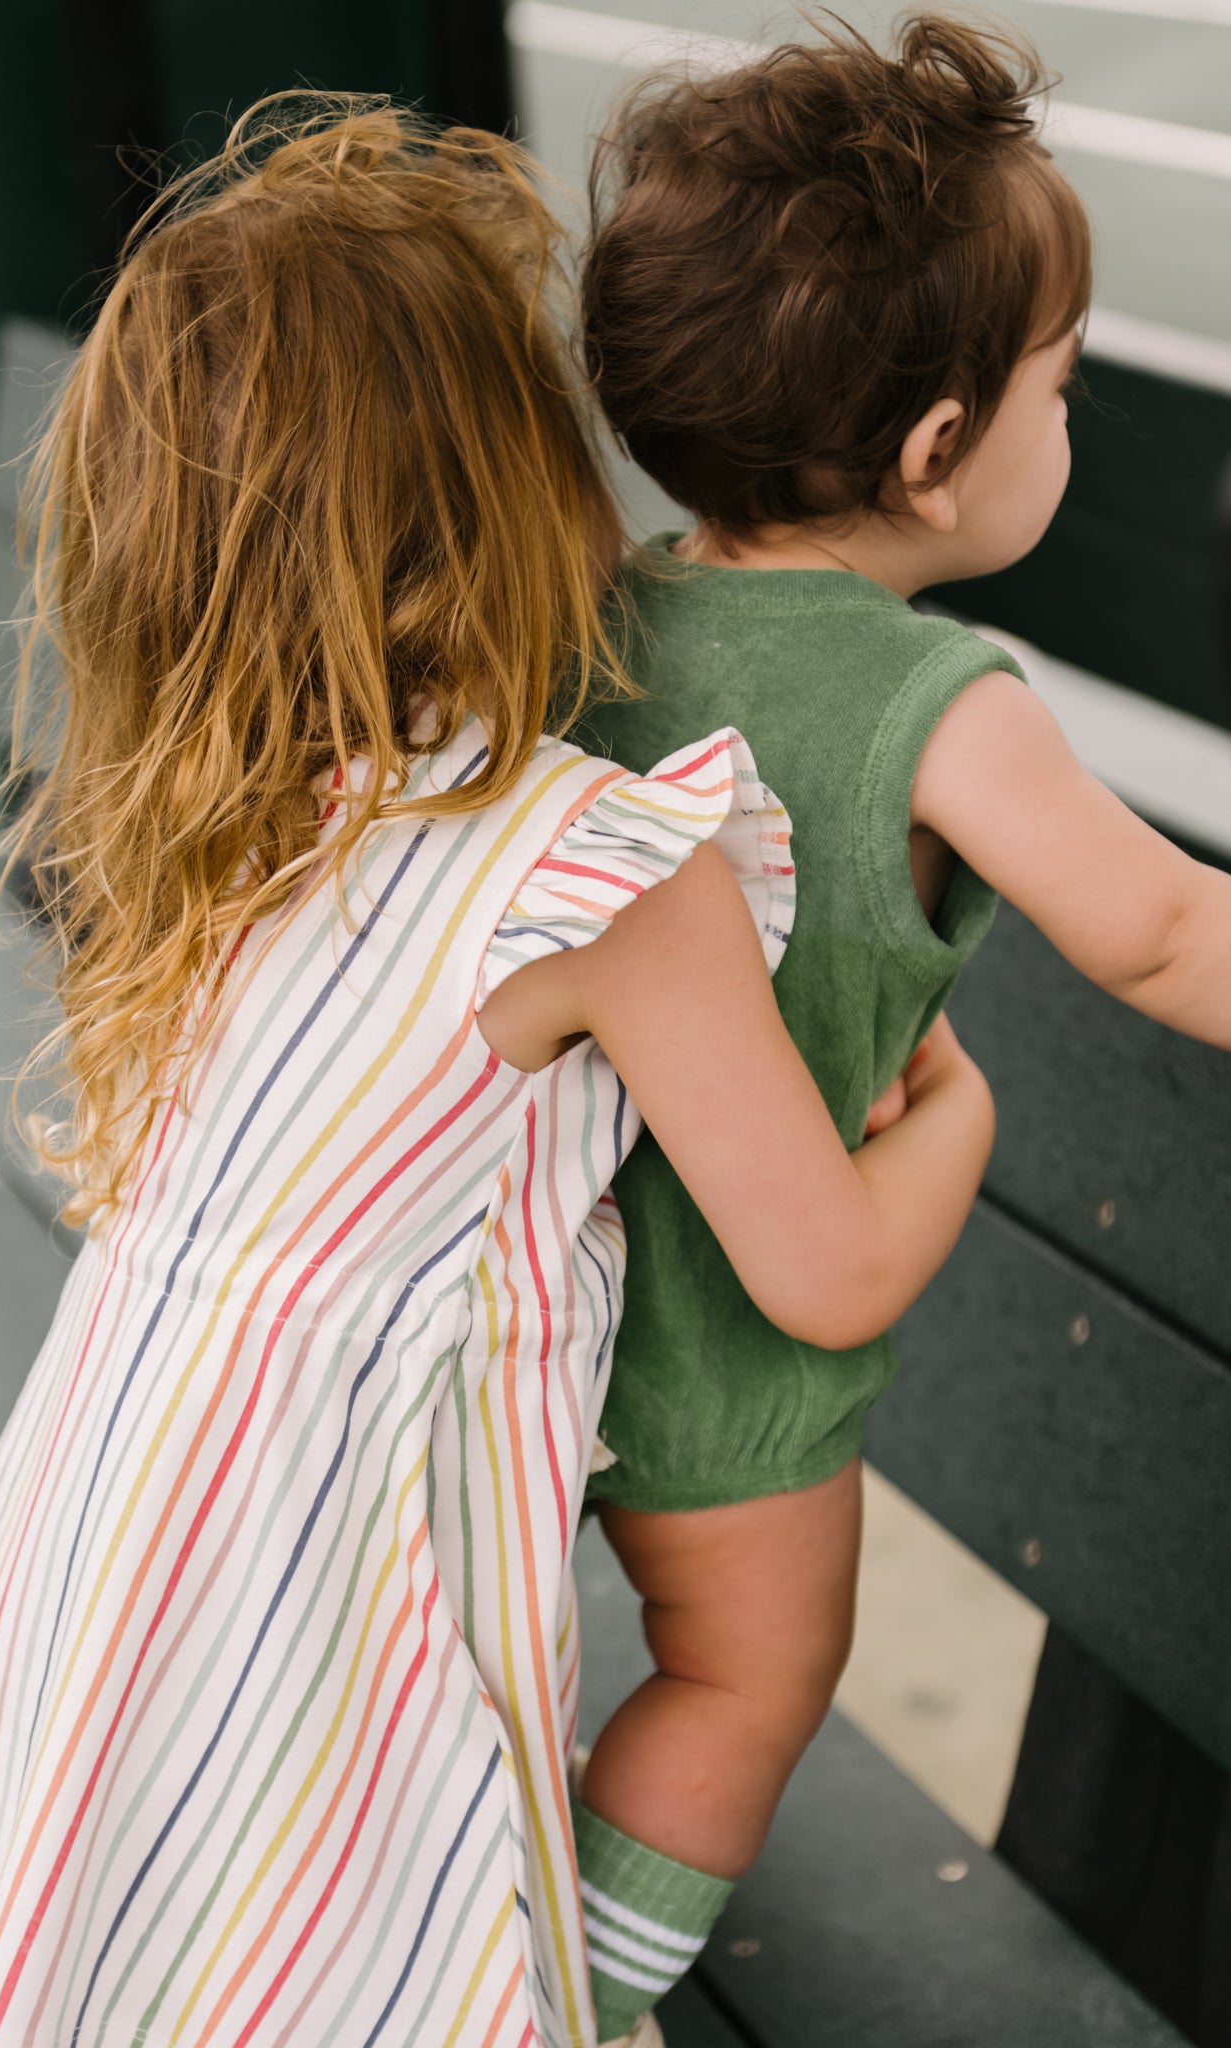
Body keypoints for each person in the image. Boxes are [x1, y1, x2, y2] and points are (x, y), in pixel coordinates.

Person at [0, 95, 994, 2048]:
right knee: (704, 1700)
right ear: (511, 487)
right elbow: (817, 1267)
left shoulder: (218, 825)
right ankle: (571, 1998)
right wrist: (962, 1109)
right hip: (311, 1608)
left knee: (99, 1892)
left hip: (76, 1597)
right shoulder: (586, 868)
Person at [570, 16, 1231, 2042]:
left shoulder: (601, 611)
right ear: (936, 449)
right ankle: (566, 1994)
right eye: (1056, 386)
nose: (1067, 421)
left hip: (533, 1290)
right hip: (729, 1365)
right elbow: (1157, 930)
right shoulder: (937, 703)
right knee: (740, 1674)